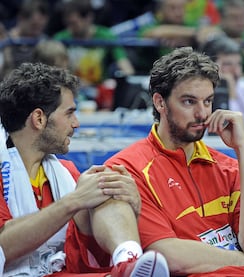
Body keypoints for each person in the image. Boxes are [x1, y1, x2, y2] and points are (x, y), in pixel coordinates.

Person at [105, 47, 244, 277]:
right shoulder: (129, 169)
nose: (202, 113)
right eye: (189, 102)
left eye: (208, 102)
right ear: (160, 102)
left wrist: (243, 149)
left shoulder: (228, 167)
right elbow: (166, 254)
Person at [0, 62, 169, 276]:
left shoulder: (66, 172)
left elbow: (86, 252)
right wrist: (74, 201)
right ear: (39, 118)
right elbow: (3, 247)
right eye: (69, 113)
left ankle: (128, 259)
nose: (77, 123)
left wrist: (132, 208)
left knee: (106, 184)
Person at [53, 0, 135, 86]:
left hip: (100, 90)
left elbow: (124, 64)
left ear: (89, 17)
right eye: (68, 23)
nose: (70, 28)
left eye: (74, 23)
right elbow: (54, 72)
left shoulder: (106, 35)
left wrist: (125, 81)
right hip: (71, 88)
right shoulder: (61, 38)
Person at [0, 0, 50, 79]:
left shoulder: (46, 42)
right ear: (21, 18)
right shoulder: (5, 43)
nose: (38, 30)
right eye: (34, 26)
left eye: (41, 27)